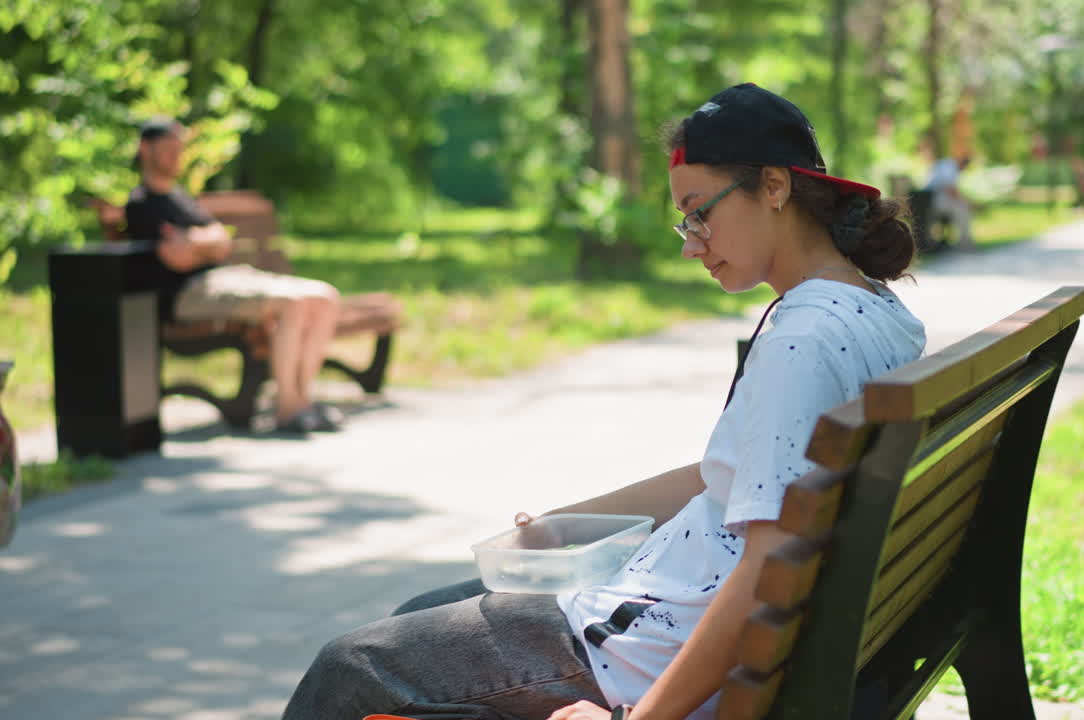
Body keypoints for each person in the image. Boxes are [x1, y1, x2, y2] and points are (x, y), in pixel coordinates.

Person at [281, 83, 926, 720]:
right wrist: (568, 522)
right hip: (678, 610)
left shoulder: (802, 343)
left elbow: (765, 566)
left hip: (640, 645)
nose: (690, 241)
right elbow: (737, 484)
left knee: (352, 669)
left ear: (775, 188)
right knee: (417, 616)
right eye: (684, 218)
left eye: (701, 211)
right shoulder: (875, 312)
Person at [125, 117, 344, 433]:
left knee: (326, 298)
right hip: (188, 295)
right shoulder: (142, 203)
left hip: (221, 279)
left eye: (180, 149)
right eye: (169, 149)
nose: (177, 156)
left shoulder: (179, 197)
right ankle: (288, 407)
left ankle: (300, 399)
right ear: (146, 149)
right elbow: (175, 259)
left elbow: (222, 241)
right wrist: (203, 243)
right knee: (292, 304)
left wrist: (194, 241)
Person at [923, 153, 974, 251]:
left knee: (962, 207)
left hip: (934, 201)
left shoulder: (948, 165)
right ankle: (965, 244)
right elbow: (951, 190)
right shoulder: (948, 167)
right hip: (932, 202)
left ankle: (964, 242)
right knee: (962, 210)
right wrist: (966, 202)